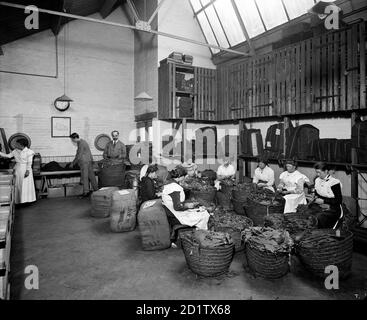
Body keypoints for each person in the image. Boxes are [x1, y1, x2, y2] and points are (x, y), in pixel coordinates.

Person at [0, 138, 36, 204]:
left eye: (17, 143)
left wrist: (27, 171)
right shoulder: (15, 151)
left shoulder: (29, 152)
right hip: (17, 168)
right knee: (17, 184)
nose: (15, 144)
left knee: (25, 184)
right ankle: (18, 200)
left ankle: (26, 200)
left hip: (25, 169)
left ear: (21, 144)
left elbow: (29, 162)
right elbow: (8, 156)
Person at [308, 162, 344, 229]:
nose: (317, 174)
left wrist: (324, 201)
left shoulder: (334, 182)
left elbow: (338, 200)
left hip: (333, 207)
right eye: (316, 172)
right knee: (307, 213)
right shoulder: (317, 180)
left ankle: (323, 233)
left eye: (319, 172)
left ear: (326, 171)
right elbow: (317, 193)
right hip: (320, 205)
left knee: (319, 217)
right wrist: (314, 197)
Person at [70, 133, 98, 198]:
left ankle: (86, 192)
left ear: (75, 138)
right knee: (91, 176)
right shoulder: (82, 142)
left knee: (85, 177)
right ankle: (96, 190)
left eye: (72, 139)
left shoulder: (81, 143)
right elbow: (88, 152)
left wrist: (73, 163)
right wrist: (92, 160)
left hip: (84, 162)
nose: (72, 141)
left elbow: (79, 155)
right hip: (88, 161)